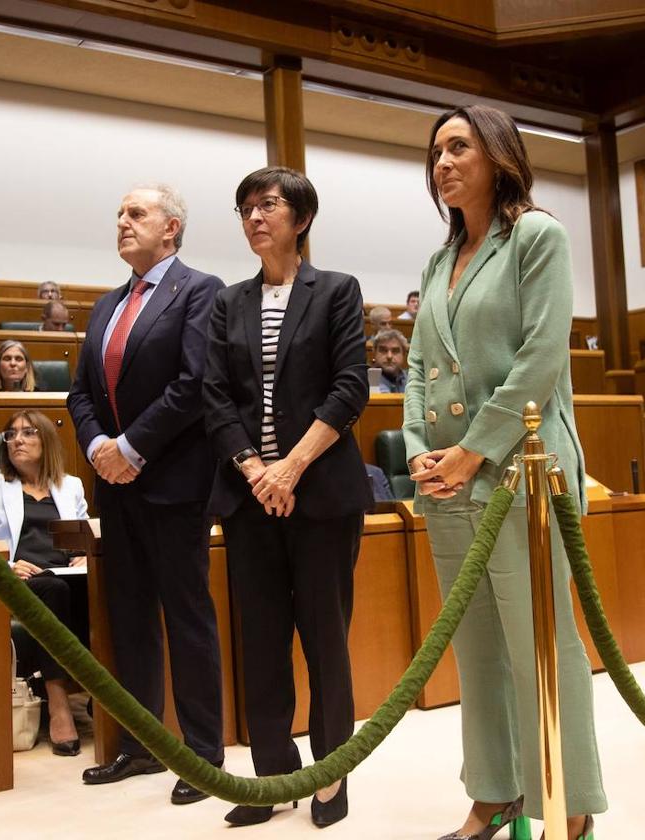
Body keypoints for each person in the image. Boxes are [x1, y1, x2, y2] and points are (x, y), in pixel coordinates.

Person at [406, 104, 605, 840]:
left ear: (497, 154)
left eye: (458, 147)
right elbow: (422, 368)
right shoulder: (437, 260)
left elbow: (542, 358)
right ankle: (492, 796)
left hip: (523, 476)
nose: (443, 163)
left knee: (540, 647)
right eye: (435, 154)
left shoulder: (537, 237)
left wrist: (472, 449)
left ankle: (568, 802)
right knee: (477, 650)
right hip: (449, 483)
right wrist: (417, 444)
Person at [203, 165, 371, 829]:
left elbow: (350, 387)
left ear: (300, 219)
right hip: (250, 499)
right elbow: (216, 396)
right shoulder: (228, 302)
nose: (254, 218)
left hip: (322, 493)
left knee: (325, 638)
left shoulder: (335, 291)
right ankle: (272, 777)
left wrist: (291, 467)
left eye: (267, 206)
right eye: (245, 208)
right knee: (262, 641)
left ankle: (331, 775)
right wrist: (254, 469)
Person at [67, 184, 225, 805]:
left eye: (136, 213)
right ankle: (141, 746)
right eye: (119, 214)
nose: (122, 222)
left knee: (186, 617)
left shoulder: (200, 290)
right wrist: (97, 448)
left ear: (172, 227)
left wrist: (129, 448)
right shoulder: (107, 304)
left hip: (173, 483)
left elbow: (193, 385)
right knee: (129, 618)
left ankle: (203, 754)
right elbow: (80, 392)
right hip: (117, 488)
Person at [0, 410, 89, 756]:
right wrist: (5, 566)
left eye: (27, 433)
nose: (16, 440)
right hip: (20, 581)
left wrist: (84, 556)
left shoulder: (71, 486)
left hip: (66, 575)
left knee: (94, 589)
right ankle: (59, 701)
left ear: (47, 440)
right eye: (11, 435)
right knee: (54, 591)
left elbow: (82, 535)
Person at [372, 329, 410, 393]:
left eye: (395, 351)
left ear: (403, 354)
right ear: (374, 353)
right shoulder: (365, 381)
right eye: (383, 350)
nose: (389, 356)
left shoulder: (412, 381)